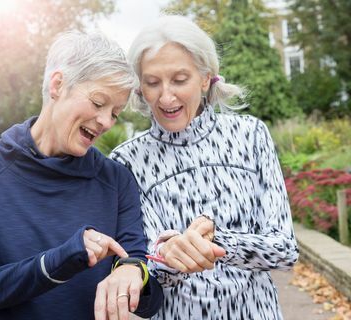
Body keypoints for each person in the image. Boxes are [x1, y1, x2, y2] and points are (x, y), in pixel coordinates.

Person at [0, 30, 163, 320]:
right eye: (99, 103)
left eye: (115, 113)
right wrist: (60, 260)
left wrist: (134, 275)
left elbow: (145, 292)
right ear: (58, 84)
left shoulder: (116, 180)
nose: (106, 122)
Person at [110, 15, 299, 319]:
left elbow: (285, 250)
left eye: (179, 79)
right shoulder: (126, 162)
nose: (166, 96)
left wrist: (216, 241)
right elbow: (149, 274)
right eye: (153, 82)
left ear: (205, 76)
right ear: (140, 88)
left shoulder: (250, 135)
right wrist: (167, 258)